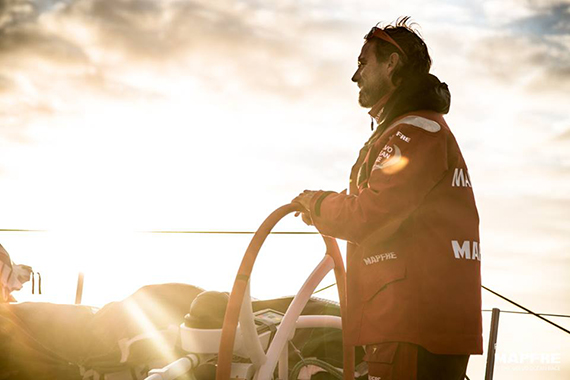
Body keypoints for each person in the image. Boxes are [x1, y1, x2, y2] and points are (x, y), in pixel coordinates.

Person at [293, 17, 482, 379]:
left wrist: (315, 203)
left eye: (363, 62)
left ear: (391, 64)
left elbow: (370, 214)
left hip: (409, 325)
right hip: (420, 324)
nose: (355, 75)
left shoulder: (414, 133)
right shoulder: (417, 129)